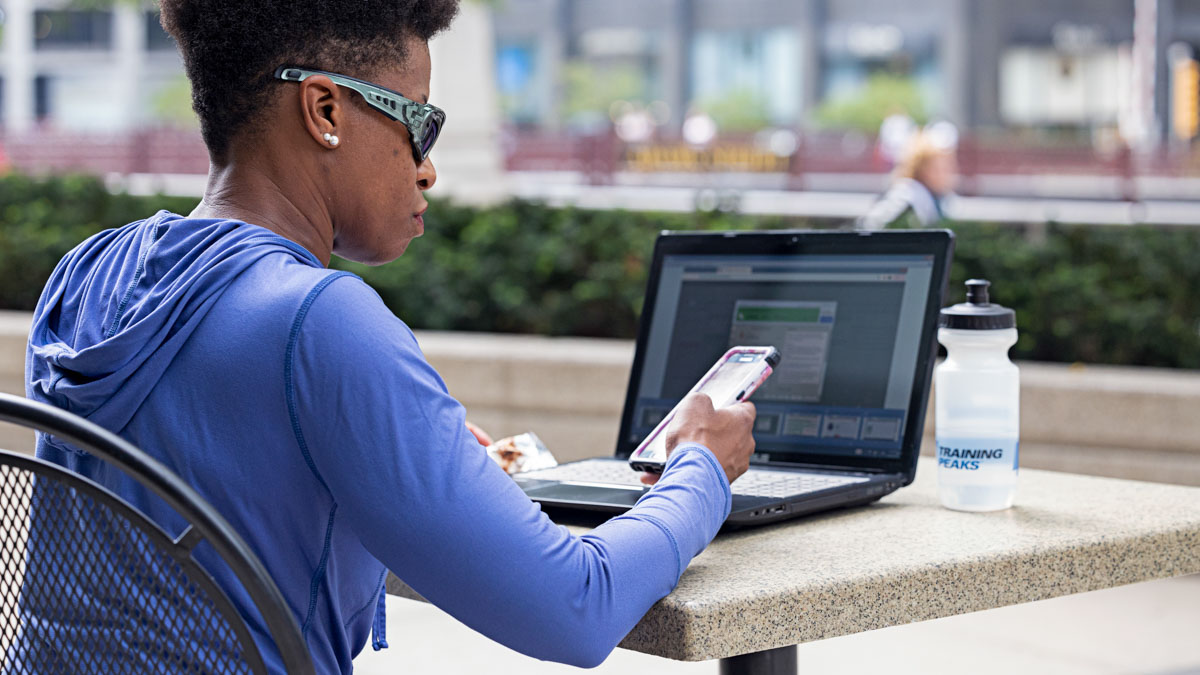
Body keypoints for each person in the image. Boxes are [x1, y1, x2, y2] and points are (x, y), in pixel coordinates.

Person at [21, 1, 757, 672]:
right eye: (418, 123)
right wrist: (699, 470)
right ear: (324, 109)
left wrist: (405, 448)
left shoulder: (87, 274)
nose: (428, 167)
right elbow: (576, 607)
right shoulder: (322, 322)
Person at [858, 130, 959, 230]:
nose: (947, 174)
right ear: (922, 169)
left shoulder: (936, 199)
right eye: (940, 169)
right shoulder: (906, 199)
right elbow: (872, 230)